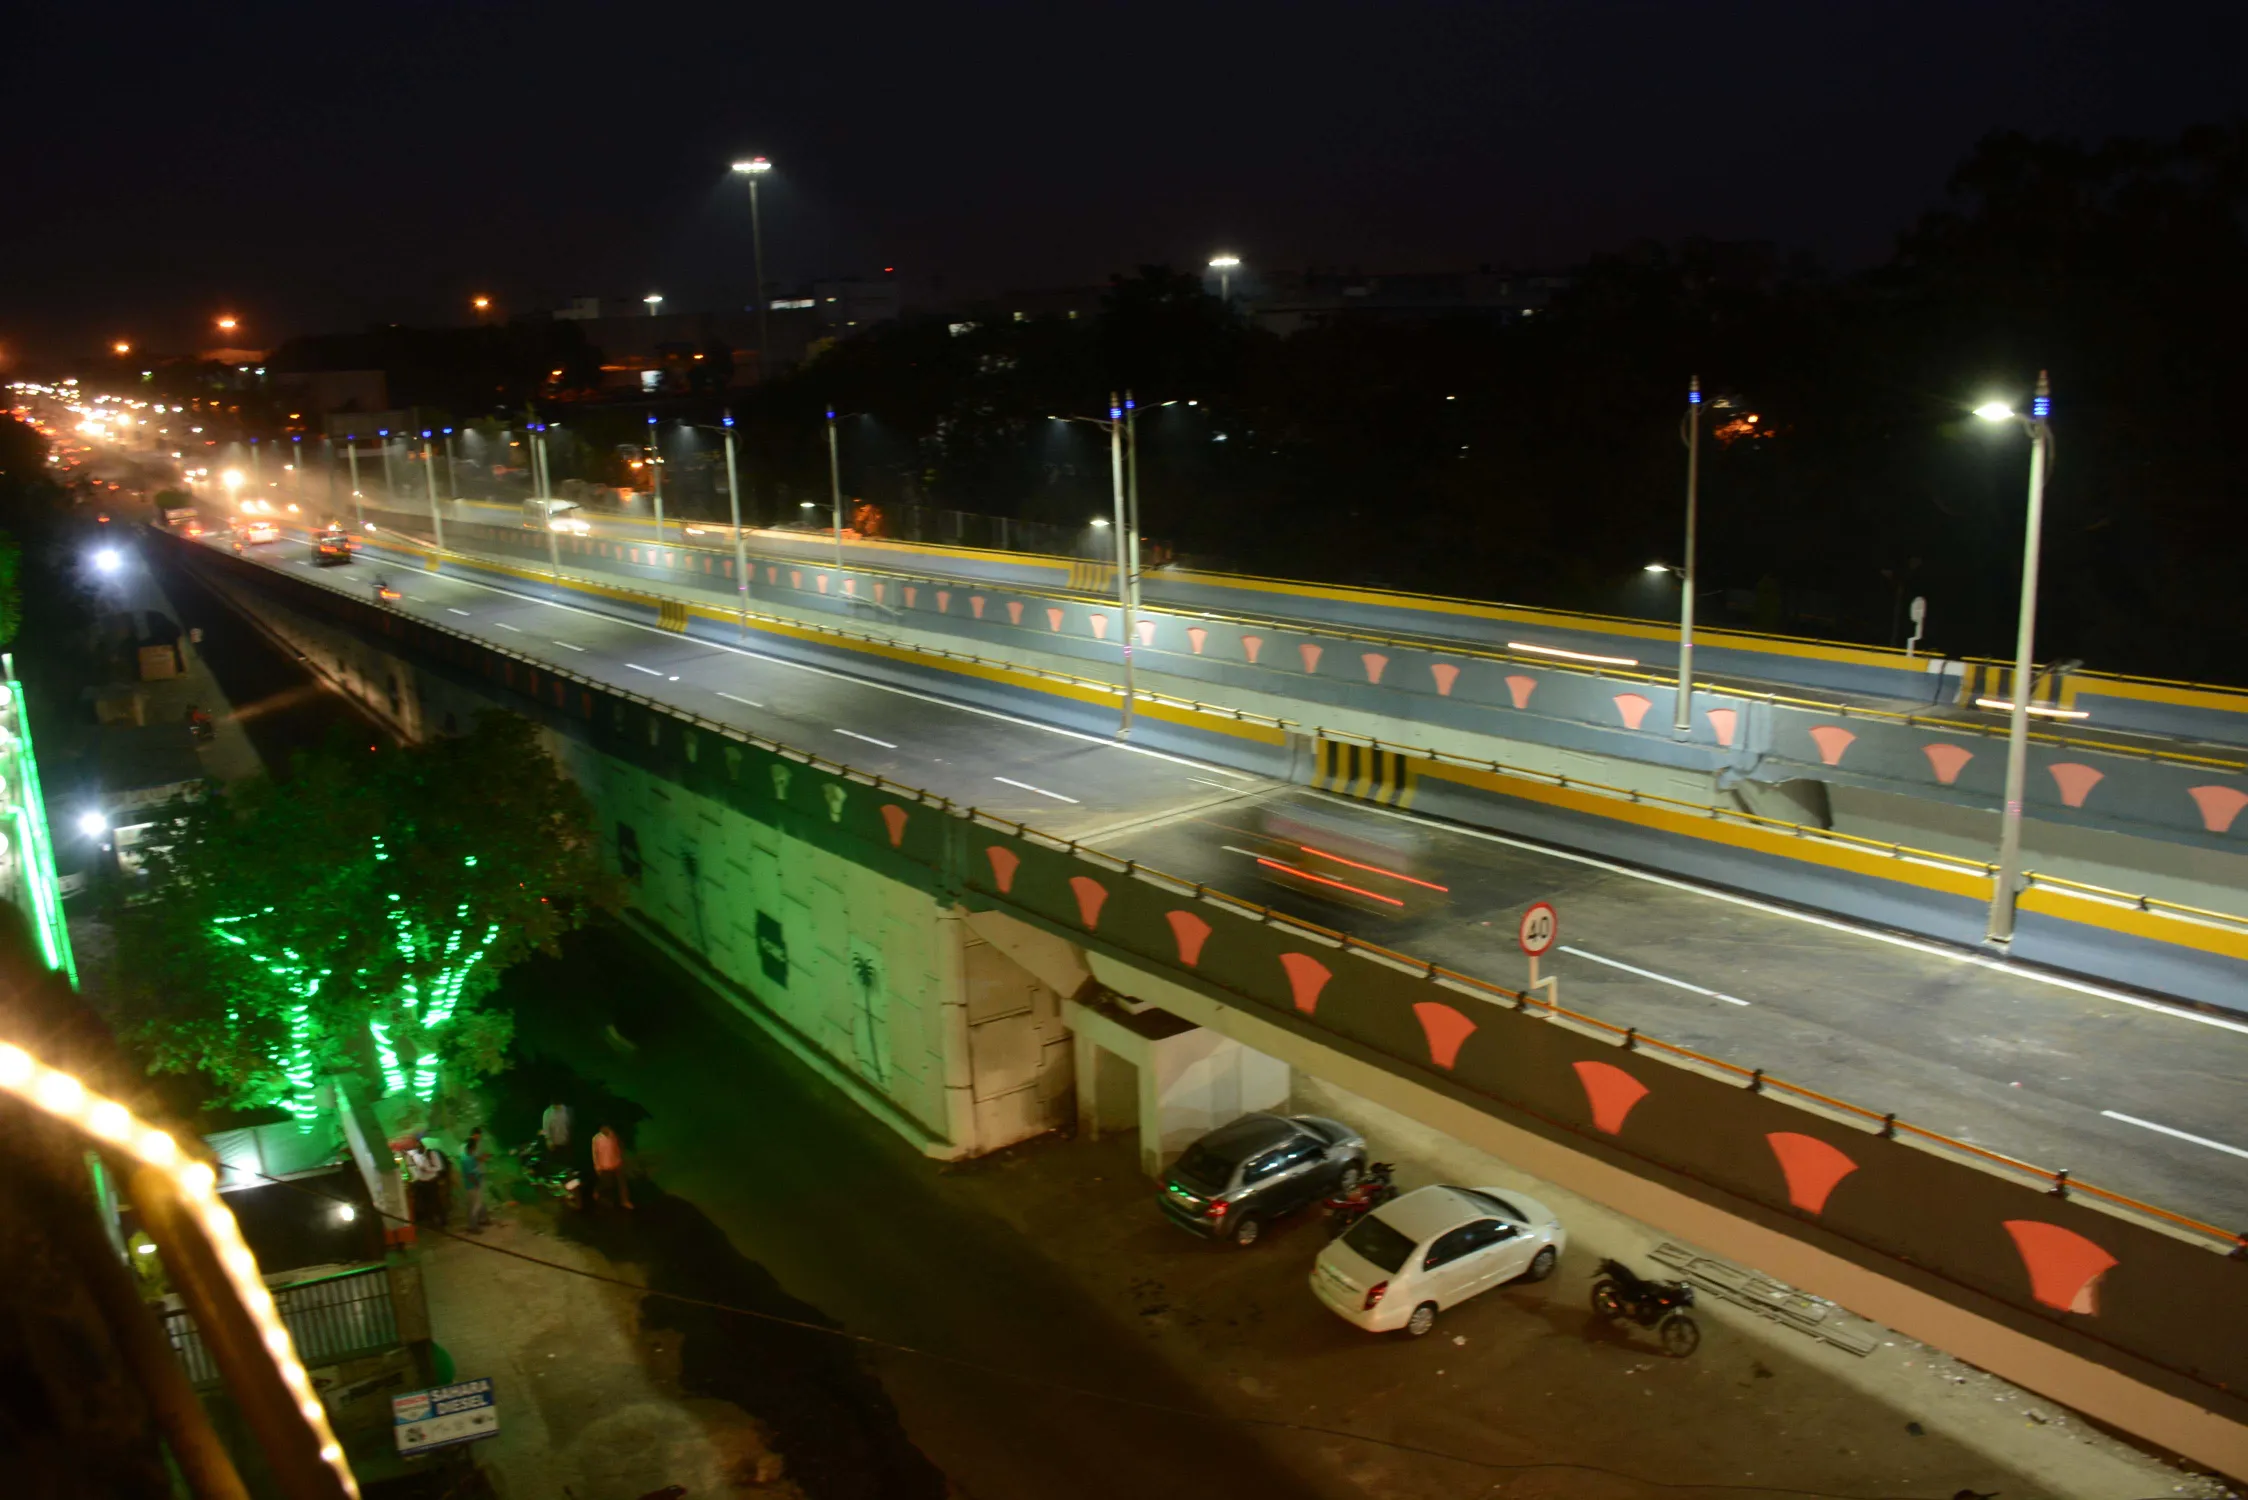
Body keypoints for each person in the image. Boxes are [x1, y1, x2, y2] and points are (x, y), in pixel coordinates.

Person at [404, 1137, 446, 1225]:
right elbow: (408, 1157)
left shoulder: (431, 1154)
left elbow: (439, 1167)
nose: (417, 1149)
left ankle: (441, 1220)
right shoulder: (414, 1154)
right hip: (422, 1182)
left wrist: (427, 1169)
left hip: (431, 1182)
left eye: (418, 1147)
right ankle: (431, 1220)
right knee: (426, 1203)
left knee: (435, 1202)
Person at [591, 1125, 631, 1211]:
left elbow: (618, 1148)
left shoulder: (614, 1135)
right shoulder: (596, 1139)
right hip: (605, 1165)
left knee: (622, 1183)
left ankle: (625, 1201)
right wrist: (597, 1167)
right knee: (607, 1183)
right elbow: (595, 1154)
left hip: (617, 1163)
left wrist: (620, 1159)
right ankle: (598, 1192)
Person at [459, 1129, 491, 1233]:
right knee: (475, 1206)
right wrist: (476, 1183)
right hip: (472, 1184)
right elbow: (470, 1174)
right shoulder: (467, 1159)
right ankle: (472, 1226)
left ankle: (483, 1219)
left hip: (474, 1182)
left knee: (479, 1202)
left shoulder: (468, 1156)